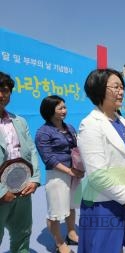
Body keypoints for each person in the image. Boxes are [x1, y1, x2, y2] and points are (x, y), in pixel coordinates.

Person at [76, 69, 125, 253]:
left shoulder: (121, 120)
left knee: (117, 247)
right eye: (116, 87)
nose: (121, 91)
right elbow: (97, 175)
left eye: (122, 87)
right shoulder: (90, 124)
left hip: (123, 199)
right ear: (98, 89)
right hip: (103, 205)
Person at [35, 95, 84, 253]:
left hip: (74, 174)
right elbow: (48, 158)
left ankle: (71, 234)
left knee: (71, 206)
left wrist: (79, 168)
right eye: (60, 108)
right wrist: (70, 170)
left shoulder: (69, 127)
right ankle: (59, 243)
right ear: (50, 110)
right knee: (55, 213)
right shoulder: (43, 132)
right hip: (57, 175)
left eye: (65, 107)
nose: (65, 110)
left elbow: (77, 148)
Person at [0, 71, 41, 253]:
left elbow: (31, 150)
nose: (1, 95)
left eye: (5, 90)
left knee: (23, 233)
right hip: (1, 193)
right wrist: (1, 192)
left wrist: (35, 180)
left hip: (23, 189)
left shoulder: (20, 121)